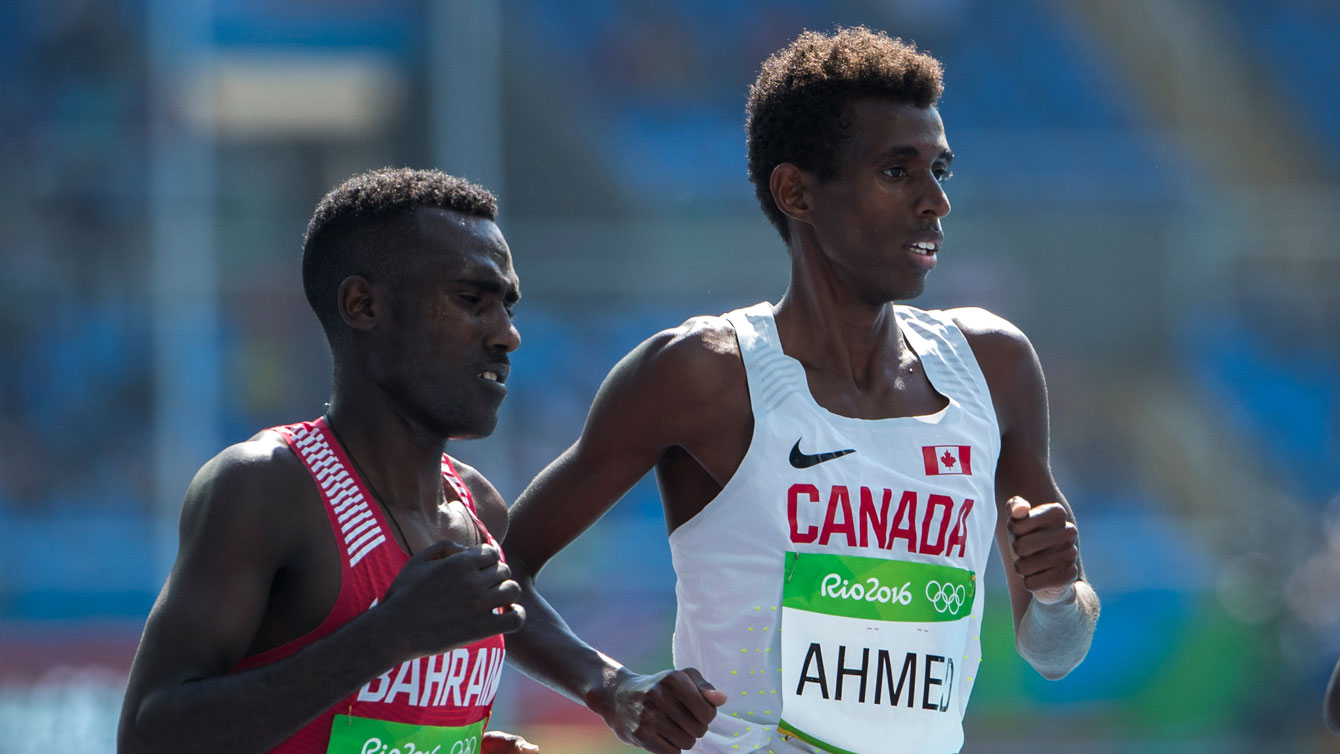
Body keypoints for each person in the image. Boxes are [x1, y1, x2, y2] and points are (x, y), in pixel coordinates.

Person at [502, 27, 1100, 754]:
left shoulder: (993, 366)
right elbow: (500, 575)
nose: (936, 201)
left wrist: (1056, 593)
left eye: (939, 168)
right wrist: (609, 687)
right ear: (797, 192)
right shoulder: (703, 372)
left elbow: (1054, 651)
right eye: (897, 171)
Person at [118, 168, 538, 754]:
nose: (506, 335)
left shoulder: (481, 509)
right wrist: (388, 635)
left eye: (508, 307)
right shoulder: (265, 487)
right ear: (363, 305)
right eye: (471, 300)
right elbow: (148, 738)